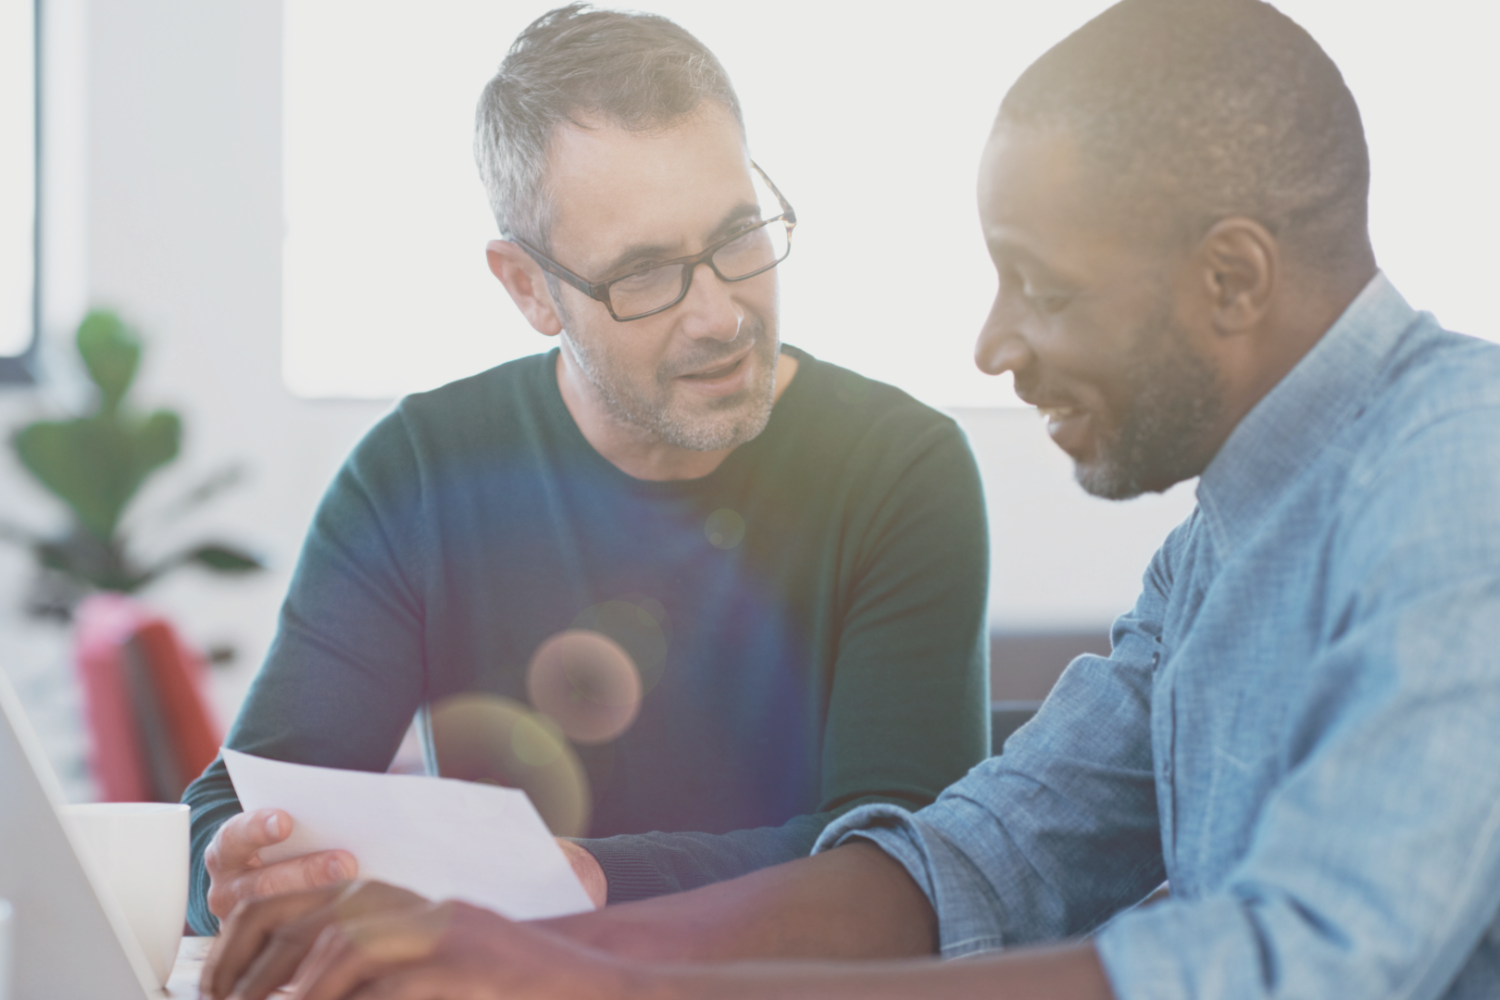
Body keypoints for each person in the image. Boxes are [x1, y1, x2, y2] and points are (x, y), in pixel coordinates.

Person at [199, 0, 1500, 997]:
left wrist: (594, 972)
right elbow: (976, 862)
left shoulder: (1464, 471)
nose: (992, 346)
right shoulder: (1215, 543)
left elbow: (1302, 958)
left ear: (1229, 280)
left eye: (1038, 286)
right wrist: (549, 959)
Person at [181, 4, 991, 935]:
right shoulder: (420, 471)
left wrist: (597, 879)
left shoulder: (898, 467)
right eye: (646, 274)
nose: (721, 315)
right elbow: (238, 804)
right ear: (529, 288)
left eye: (739, 237)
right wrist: (236, 875)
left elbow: (912, 860)